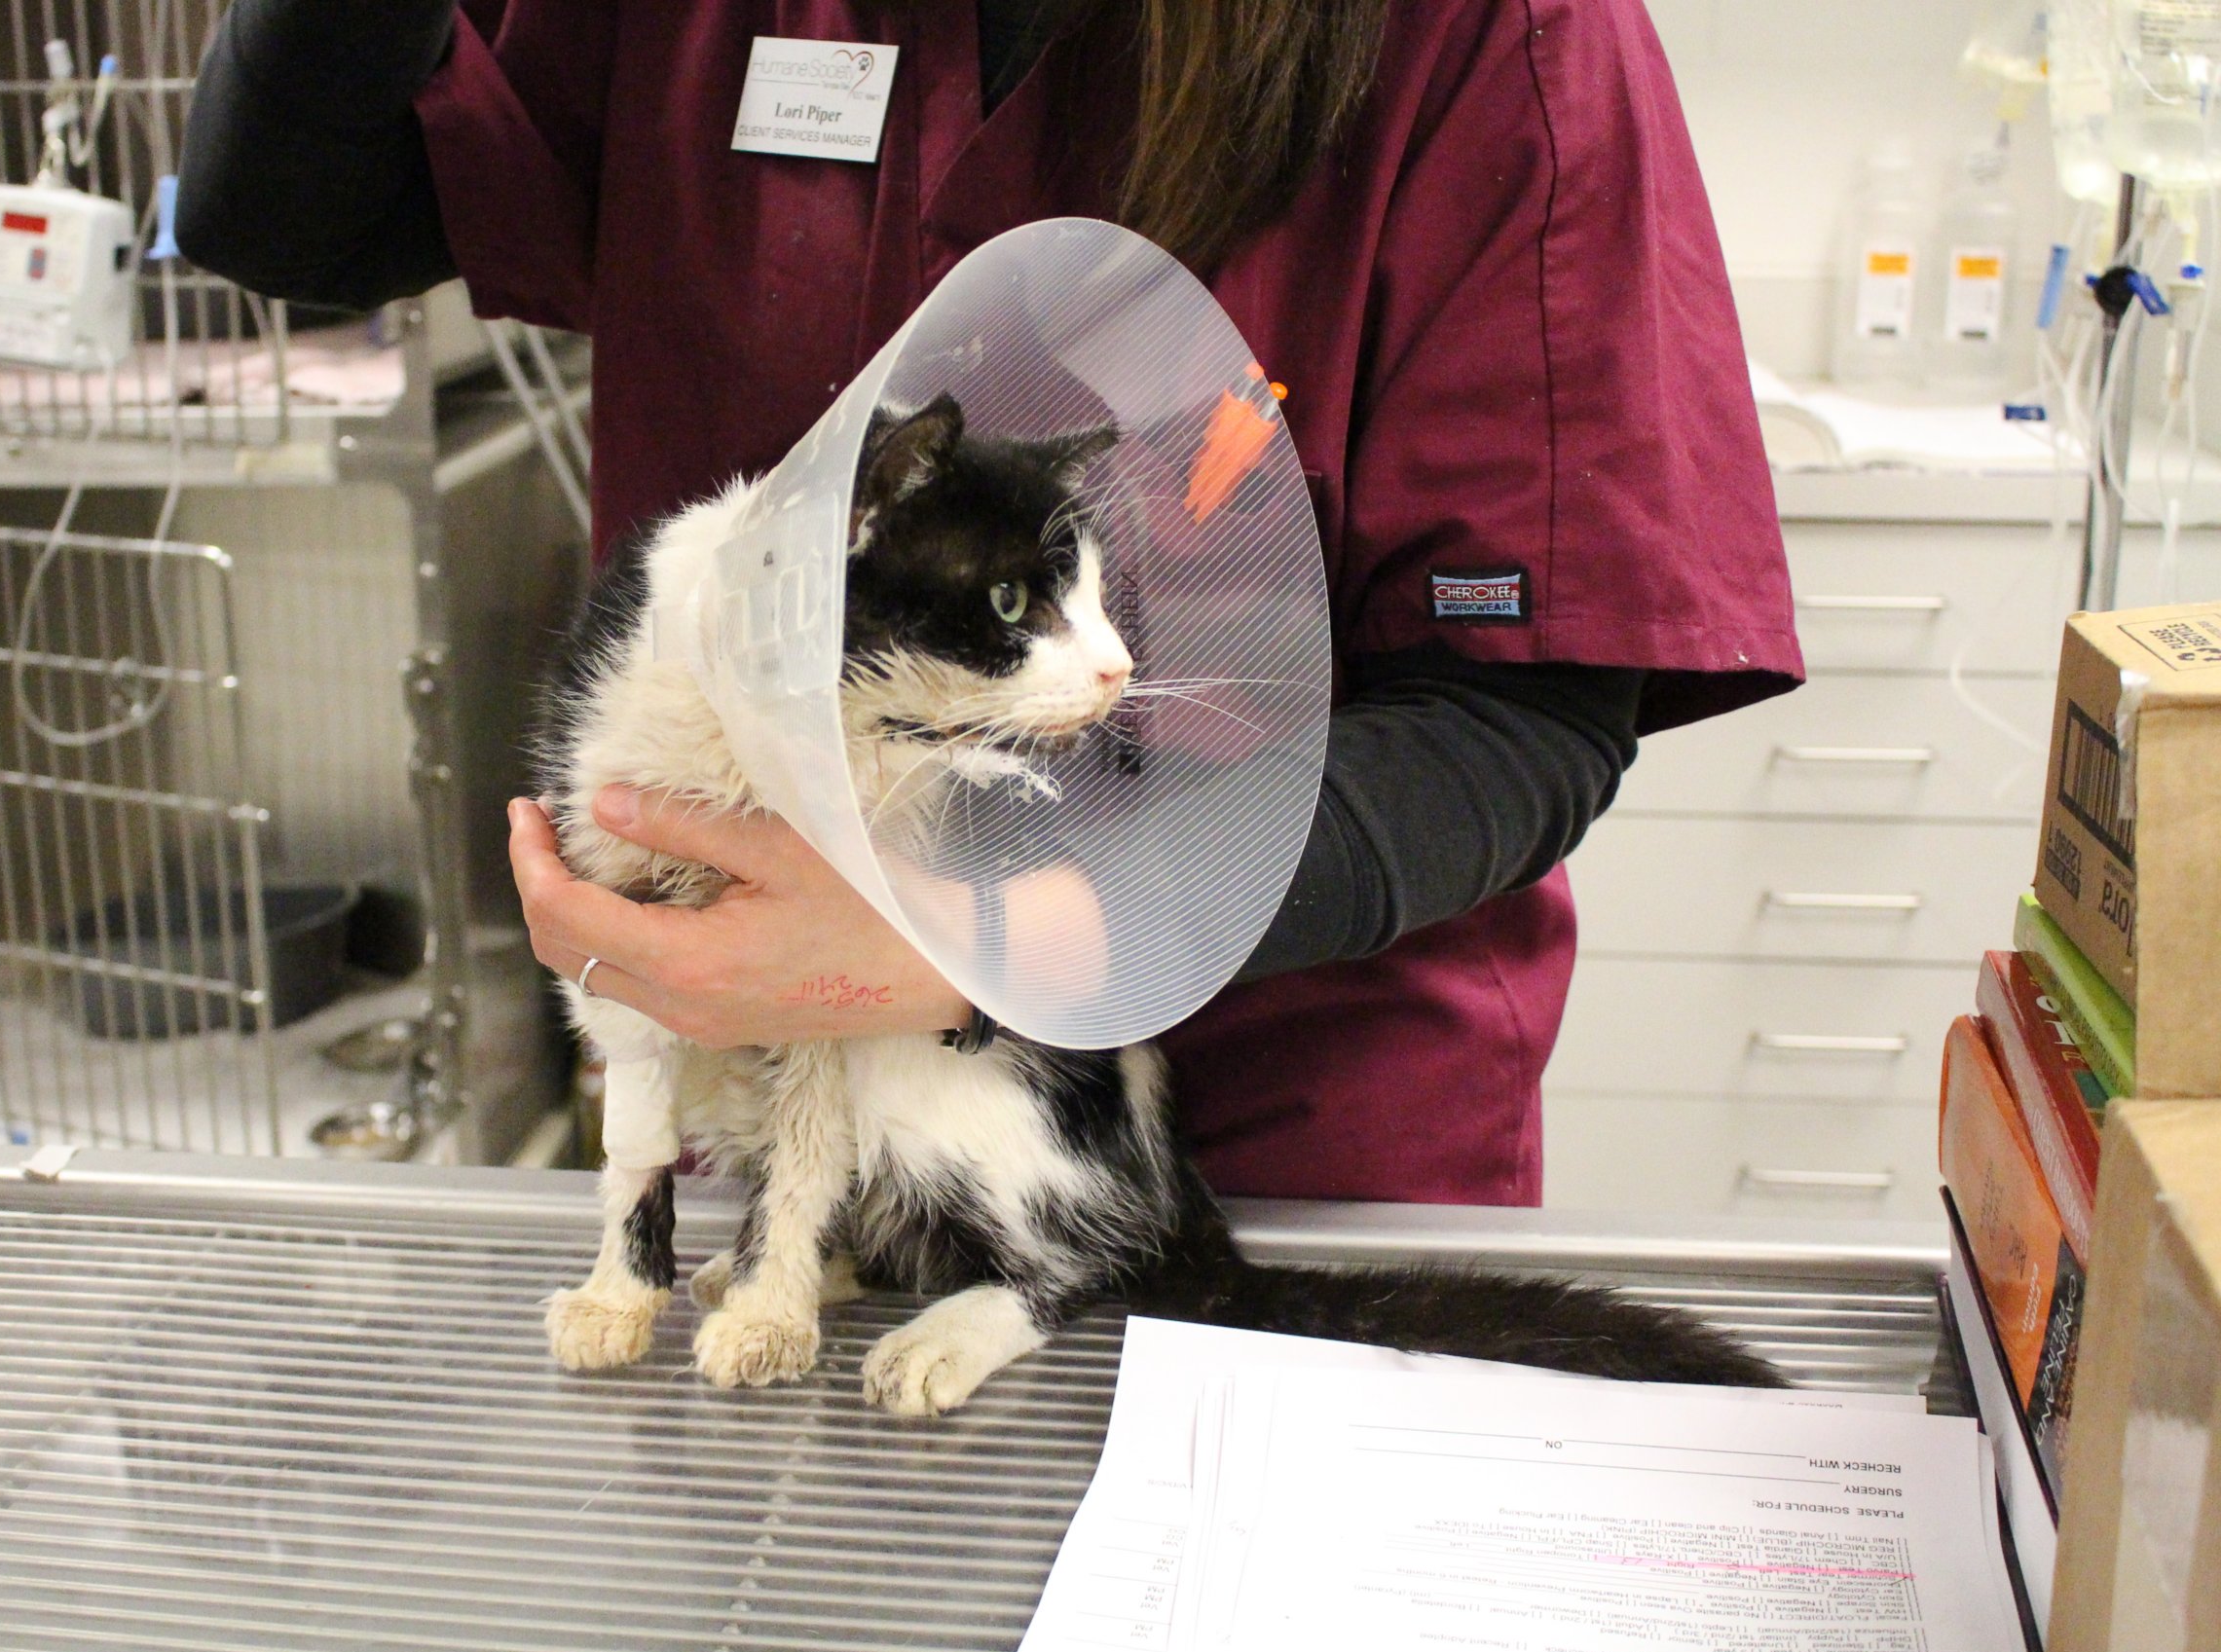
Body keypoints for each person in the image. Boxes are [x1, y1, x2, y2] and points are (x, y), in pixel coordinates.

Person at [179, 0, 1798, 1206]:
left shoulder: (1488, 43)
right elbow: (292, 221)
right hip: (787, 1119)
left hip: (1278, 1157)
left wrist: (970, 939)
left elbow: (1516, 714)